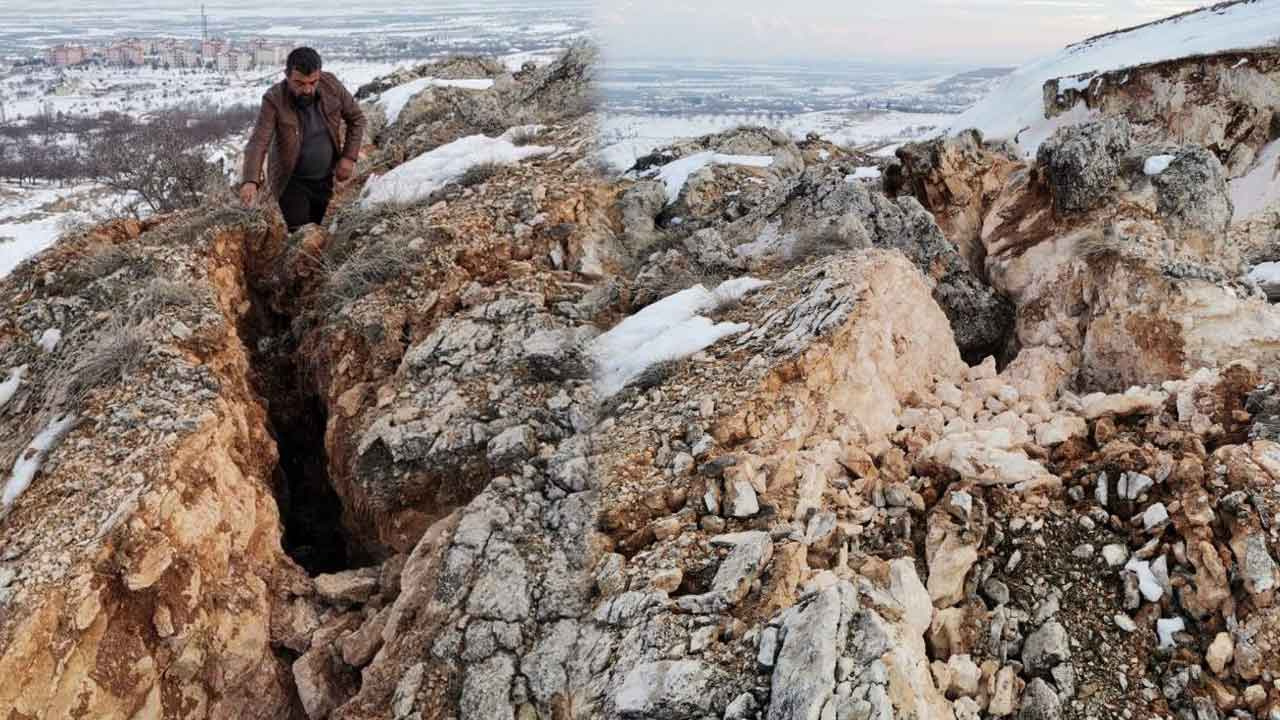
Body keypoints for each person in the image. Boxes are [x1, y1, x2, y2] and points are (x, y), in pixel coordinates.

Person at [239, 47, 366, 231]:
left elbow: (356, 119)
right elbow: (259, 141)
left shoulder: (331, 85)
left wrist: (348, 157)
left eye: (312, 82)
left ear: (319, 75)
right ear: (287, 75)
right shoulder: (274, 99)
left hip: (324, 178)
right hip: (291, 181)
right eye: (299, 83)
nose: (307, 89)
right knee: (300, 233)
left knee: (316, 226)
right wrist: (250, 180)